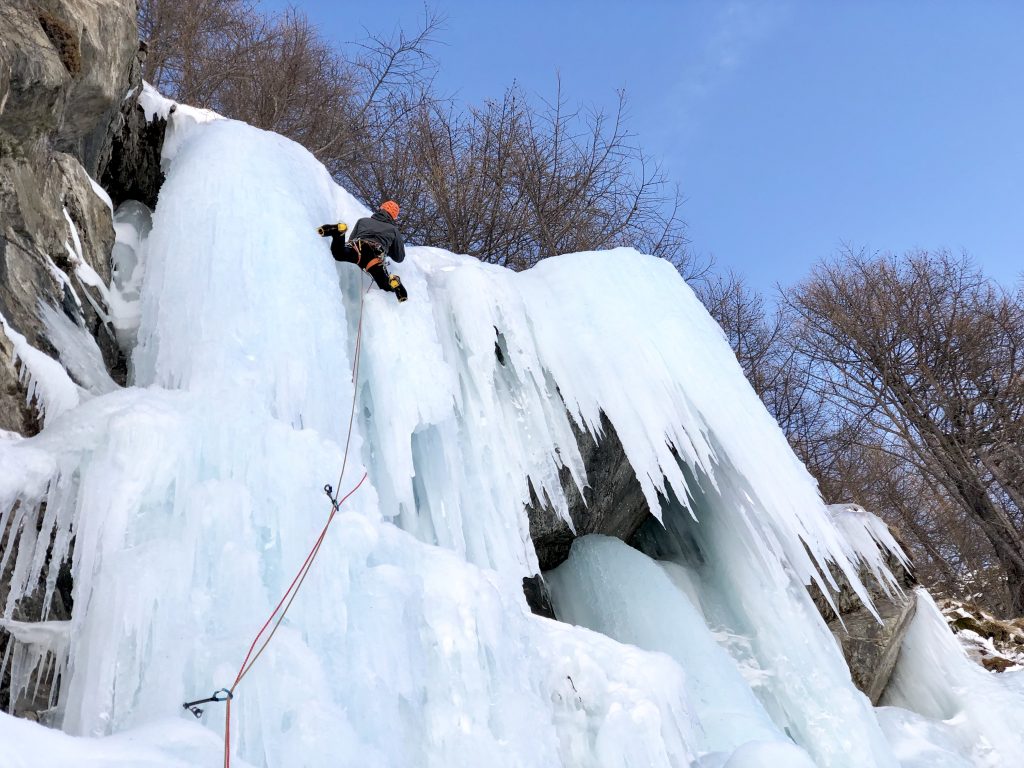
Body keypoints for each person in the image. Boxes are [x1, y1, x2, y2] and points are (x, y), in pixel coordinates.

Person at [318, 200, 408, 302]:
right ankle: (394, 281)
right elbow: (399, 257)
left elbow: (351, 240)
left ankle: (339, 233)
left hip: (358, 247)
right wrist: (389, 250)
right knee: (384, 284)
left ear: (380, 209)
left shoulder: (362, 221)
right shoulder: (394, 230)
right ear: (393, 216)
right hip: (374, 255)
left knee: (339, 253)